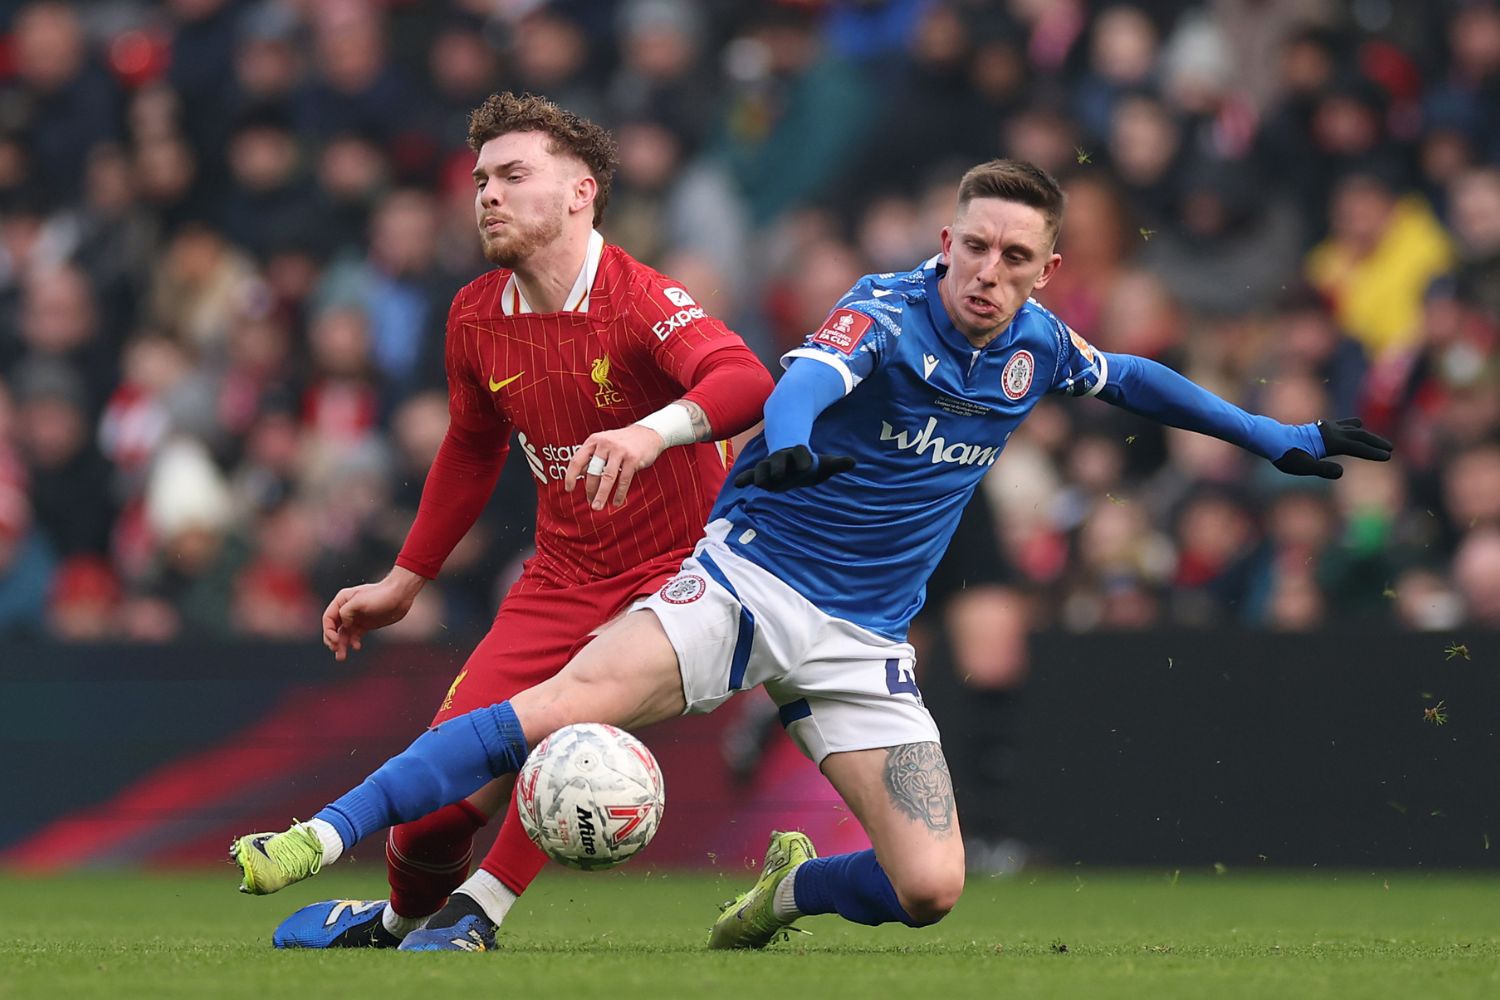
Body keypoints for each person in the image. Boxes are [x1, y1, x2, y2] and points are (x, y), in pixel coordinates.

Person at [232, 159, 1391, 950]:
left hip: (864, 640)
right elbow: (804, 384)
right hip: (748, 581)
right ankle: (317, 837)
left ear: (1045, 271)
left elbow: (1135, 376)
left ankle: (784, 891)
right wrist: (782, 448)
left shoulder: (1038, 345)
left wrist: (1275, 436)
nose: (988, 275)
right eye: (974, 248)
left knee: (931, 889)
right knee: (562, 703)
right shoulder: (885, 312)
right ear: (946, 242)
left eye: (1015, 259)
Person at [260, 91, 773, 951]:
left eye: (513, 175)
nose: (488, 195)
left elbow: (746, 380)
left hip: (679, 581)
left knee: (568, 747)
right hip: (561, 578)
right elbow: (469, 450)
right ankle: (396, 922)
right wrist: (404, 580)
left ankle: (481, 912)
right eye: (480, 179)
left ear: (581, 192)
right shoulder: (474, 316)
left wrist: (651, 434)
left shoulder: (639, 297)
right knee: (429, 823)